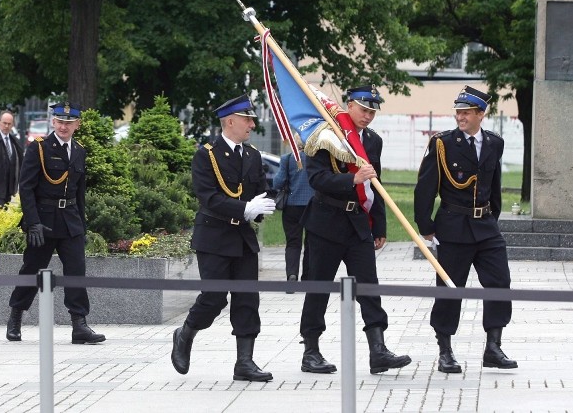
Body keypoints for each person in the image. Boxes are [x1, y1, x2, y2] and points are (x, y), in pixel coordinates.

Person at [298, 84, 410, 376]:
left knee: (369, 287)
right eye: (363, 109)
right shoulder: (325, 133)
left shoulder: (372, 141)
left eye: (372, 111)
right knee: (318, 288)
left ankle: (378, 350)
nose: (368, 116)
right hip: (326, 220)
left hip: (358, 223)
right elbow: (317, 179)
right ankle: (311, 350)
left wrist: (380, 225)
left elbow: (376, 185)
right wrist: (352, 180)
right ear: (349, 105)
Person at [171, 95, 276, 382]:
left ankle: (244, 362)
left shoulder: (252, 155)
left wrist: (265, 204)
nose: (252, 125)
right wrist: (245, 207)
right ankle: (185, 333)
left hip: (242, 237)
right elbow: (209, 197)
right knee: (214, 298)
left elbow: (261, 189)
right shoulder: (206, 154)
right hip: (214, 235)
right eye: (247, 119)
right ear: (230, 121)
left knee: (247, 299)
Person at [413, 86, 517, 374]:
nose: (460, 116)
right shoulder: (443, 143)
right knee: (449, 288)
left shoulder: (495, 143)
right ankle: (445, 350)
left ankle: (493, 347)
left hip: (485, 227)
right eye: (458, 112)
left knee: (499, 282)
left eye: (466, 112)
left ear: (481, 114)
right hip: (453, 226)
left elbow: (493, 183)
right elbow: (425, 188)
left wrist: (492, 217)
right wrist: (427, 227)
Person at [5, 102, 105, 345]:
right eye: (60, 122)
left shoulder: (79, 150)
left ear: (77, 125)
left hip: (70, 221)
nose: (64, 126)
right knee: (31, 269)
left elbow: (79, 193)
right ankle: (16, 316)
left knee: (76, 272)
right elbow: (26, 188)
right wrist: (32, 222)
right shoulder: (39, 148)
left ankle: (79, 324)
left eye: (69, 123)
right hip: (44, 221)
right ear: (53, 122)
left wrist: (82, 226)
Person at [271, 136, 314, 285]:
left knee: (293, 243)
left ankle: (291, 275)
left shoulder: (287, 158)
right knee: (311, 243)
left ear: (295, 143)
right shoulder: (316, 159)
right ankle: (308, 277)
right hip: (312, 206)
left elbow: (277, 182)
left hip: (292, 206)